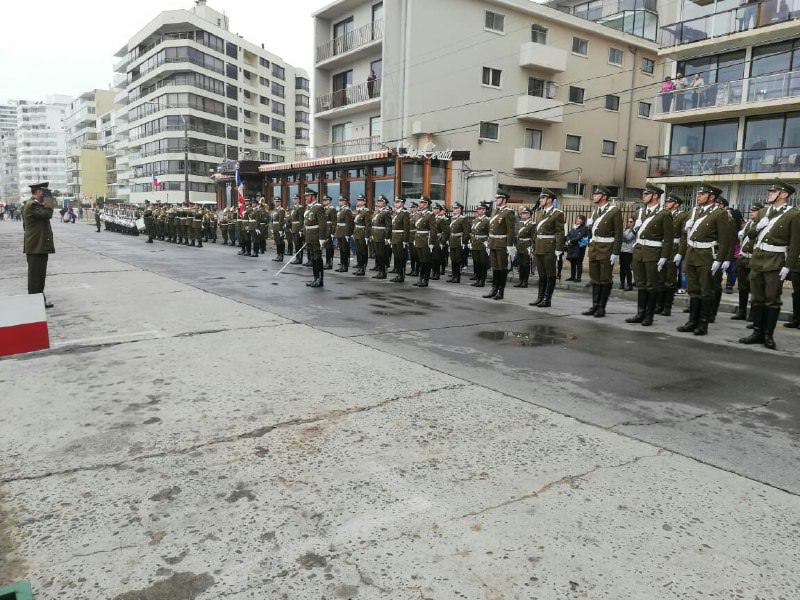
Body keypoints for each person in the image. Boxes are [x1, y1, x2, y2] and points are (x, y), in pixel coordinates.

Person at [740, 180, 800, 349]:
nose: (770, 194)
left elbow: (795, 244)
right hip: (758, 258)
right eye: (770, 192)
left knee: (772, 299)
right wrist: (758, 225)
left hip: (775, 260)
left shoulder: (793, 214)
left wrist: (788, 265)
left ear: (784, 195)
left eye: (774, 192)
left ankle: (768, 335)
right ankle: (757, 333)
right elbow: (751, 235)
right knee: (757, 298)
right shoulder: (764, 212)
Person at [675, 183, 735, 336]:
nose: (698, 196)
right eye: (699, 194)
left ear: (712, 197)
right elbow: (685, 236)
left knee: (705, 290)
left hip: (707, 255)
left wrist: (720, 260)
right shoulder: (694, 211)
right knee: (693, 289)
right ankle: (692, 321)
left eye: (702, 194)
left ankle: (703, 323)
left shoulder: (719, 213)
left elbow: (725, 239)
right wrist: (684, 234)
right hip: (692, 253)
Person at [626, 184, 674, 327]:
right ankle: (640, 313)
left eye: (647, 194)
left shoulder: (664, 214)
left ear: (655, 196)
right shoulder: (640, 212)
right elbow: (636, 234)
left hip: (653, 252)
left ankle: (649, 315)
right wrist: (635, 228)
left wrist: (664, 257)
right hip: (639, 251)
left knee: (651, 285)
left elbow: (668, 238)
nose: (644, 196)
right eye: (644, 194)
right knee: (640, 284)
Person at [583, 186, 623, 318]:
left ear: (604, 196)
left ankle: (601, 307)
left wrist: (615, 252)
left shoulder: (614, 211)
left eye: (597, 194)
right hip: (594, 248)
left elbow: (618, 233)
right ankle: (594, 305)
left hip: (606, 248)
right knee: (595, 278)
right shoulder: (596, 211)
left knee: (605, 279)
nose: (594, 196)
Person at [22, 182, 55, 309]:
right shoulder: (32, 205)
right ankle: (34, 304)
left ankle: (38, 301)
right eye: (45, 192)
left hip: (37, 246)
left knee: (39, 277)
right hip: (36, 247)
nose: (47, 195)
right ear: (38, 192)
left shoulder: (33, 204)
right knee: (36, 277)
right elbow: (48, 214)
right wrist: (49, 199)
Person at [530, 189, 565, 307]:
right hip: (539, 247)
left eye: (543, 198)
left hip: (549, 247)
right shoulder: (540, 212)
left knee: (550, 275)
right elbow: (536, 231)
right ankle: (539, 297)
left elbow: (560, 232)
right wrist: (533, 245)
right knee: (542, 275)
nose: (540, 200)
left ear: (550, 199)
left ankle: (547, 299)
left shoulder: (558, 213)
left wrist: (559, 248)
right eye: (540, 198)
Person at [731, 202, 762, 321]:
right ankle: (742, 311)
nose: (752, 213)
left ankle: (753, 313)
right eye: (751, 211)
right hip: (743, 258)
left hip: (754, 259)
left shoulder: (763, 225)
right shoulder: (748, 224)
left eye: (754, 211)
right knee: (742, 287)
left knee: (754, 288)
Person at [484, 191, 516, 300]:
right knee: (495, 268)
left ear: (504, 200)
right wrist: (489, 243)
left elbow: (511, 231)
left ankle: (500, 291)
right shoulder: (494, 211)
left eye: (498, 198)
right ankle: (494, 289)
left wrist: (509, 246)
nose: (496, 200)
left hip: (502, 244)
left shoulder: (508, 213)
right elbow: (491, 229)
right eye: (496, 198)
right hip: (493, 243)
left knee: (502, 268)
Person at [660, 193, 688, 316]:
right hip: (661, 247)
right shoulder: (663, 214)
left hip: (674, 248)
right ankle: (658, 305)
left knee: (670, 279)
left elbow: (684, 236)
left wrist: (680, 253)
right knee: (660, 278)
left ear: (676, 204)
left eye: (670, 202)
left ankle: (667, 306)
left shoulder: (682, 216)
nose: (667, 203)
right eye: (666, 201)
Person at [303, 187, 328, 288]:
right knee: (313, 257)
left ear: (313, 197)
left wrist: (322, 238)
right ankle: (315, 278)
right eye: (306, 196)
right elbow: (306, 223)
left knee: (317, 257)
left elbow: (323, 224)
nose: (306, 198)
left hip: (316, 236)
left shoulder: (318, 207)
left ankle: (320, 280)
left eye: (308, 196)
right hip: (309, 235)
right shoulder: (308, 208)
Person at [413, 196, 436, 287]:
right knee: (420, 261)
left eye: (422, 203)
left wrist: (431, 242)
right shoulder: (418, 214)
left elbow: (433, 230)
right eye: (420, 202)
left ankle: (425, 279)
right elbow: (416, 228)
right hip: (418, 239)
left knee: (426, 261)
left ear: (426, 204)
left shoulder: (430, 215)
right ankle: (420, 278)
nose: (420, 204)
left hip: (425, 240)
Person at [370, 195, 393, 279]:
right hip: (376, 236)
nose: (378, 203)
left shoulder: (386, 212)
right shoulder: (377, 212)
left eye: (381, 201)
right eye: (378, 201)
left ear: (385, 203)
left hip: (382, 236)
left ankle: (383, 272)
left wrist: (387, 237)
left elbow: (388, 226)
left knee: (382, 255)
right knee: (378, 255)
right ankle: (380, 271)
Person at [470, 202, 491, 287]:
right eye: (478, 209)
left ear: (484, 210)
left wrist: (488, 244)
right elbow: (472, 232)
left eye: (480, 209)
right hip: (475, 243)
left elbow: (490, 233)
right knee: (477, 262)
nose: (478, 211)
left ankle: (482, 281)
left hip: (483, 244)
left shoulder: (487, 220)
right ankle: (478, 279)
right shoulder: (475, 220)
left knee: (483, 263)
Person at [389, 196, 410, 282]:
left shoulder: (404, 213)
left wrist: (405, 240)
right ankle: (398, 274)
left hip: (401, 238)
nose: (395, 203)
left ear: (402, 203)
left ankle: (401, 275)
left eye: (397, 202)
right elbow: (392, 227)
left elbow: (406, 228)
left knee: (401, 257)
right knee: (397, 257)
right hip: (394, 237)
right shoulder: (396, 213)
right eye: (395, 202)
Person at [514, 205, 535, 288]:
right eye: (522, 213)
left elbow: (533, 237)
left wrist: (532, 248)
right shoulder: (520, 224)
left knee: (526, 265)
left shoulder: (532, 224)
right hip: (520, 246)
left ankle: (525, 282)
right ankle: (520, 280)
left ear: (529, 215)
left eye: (525, 213)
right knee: (520, 265)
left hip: (527, 246)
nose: (523, 215)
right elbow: (517, 235)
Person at [447, 202, 469, 283]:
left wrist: (464, 242)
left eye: (456, 209)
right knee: (453, 259)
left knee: (458, 260)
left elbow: (466, 231)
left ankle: (457, 277)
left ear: (460, 210)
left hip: (458, 241)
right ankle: (453, 276)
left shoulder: (463, 219)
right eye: (454, 208)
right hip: (452, 240)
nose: (454, 210)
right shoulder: (452, 218)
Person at [565, 214, 589, 283]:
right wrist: (567, 240)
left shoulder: (584, 228)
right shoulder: (574, 227)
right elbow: (569, 235)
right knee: (572, 262)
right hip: (572, 247)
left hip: (579, 248)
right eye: (577, 219)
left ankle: (578, 278)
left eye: (580, 219)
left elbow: (580, 236)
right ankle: (572, 277)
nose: (578, 220)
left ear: (583, 221)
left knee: (578, 262)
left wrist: (570, 240)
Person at [352, 194, 372, 276]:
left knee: (363, 251)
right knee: (358, 251)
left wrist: (367, 236)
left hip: (362, 233)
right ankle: (359, 267)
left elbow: (368, 224)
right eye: (358, 200)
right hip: (357, 233)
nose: (358, 202)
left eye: (360, 200)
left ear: (364, 202)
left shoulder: (366, 211)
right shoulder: (358, 211)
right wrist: (353, 233)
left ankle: (363, 268)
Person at [335, 195, 354, 272]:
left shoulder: (347, 210)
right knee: (341, 250)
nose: (340, 202)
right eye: (339, 201)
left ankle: (345, 266)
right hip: (339, 231)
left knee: (345, 250)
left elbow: (348, 223)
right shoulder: (340, 210)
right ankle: (342, 265)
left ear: (345, 202)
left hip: (344, 232)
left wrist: (347, 234)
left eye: (341, 201)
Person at [432, 203, 450, 280]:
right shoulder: (432, 218)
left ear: (439, 210)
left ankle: (437, 274)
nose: (433, 210)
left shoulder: (442, 220)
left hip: (438, 240)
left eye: (435, 209)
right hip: (432, 239)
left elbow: (446, 232)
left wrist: (442, 242)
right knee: (432, 258)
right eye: (433, 209)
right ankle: (433, 273)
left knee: (437, 258)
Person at [322, 195, 337, 270]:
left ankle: (329, 263)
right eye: (323, 200)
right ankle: (327, 262)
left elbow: (334, 222)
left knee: (329, 248)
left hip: (329, 230)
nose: (324, 201)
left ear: (329, 201)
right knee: (327, 247)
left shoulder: (332, 209)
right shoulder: (323, 209)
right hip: (325, 230)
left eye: (325, 200)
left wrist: (332, 232)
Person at [620, 217, 635, 290]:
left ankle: (629, 285)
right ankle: (622, 284)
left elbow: (628, 238)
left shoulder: (634, 230)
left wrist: (620, 233)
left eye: (631, 221)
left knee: (627, 268)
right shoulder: (625, 229)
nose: (629, 223)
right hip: (622, 250)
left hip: (629, 251)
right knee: (622, 268)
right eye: (628, 221)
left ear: (634, 222)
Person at [290, 193, 305, 264]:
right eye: (294, 199)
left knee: (299, 244)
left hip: (297, 228)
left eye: (296, 199)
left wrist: (301, 229)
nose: (294, 200)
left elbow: (301, 219)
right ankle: (297, 258)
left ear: (299, 200)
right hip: (293, 228)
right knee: (296, 244)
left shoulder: (300, 208)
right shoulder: (294, 208)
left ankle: (299, 259)